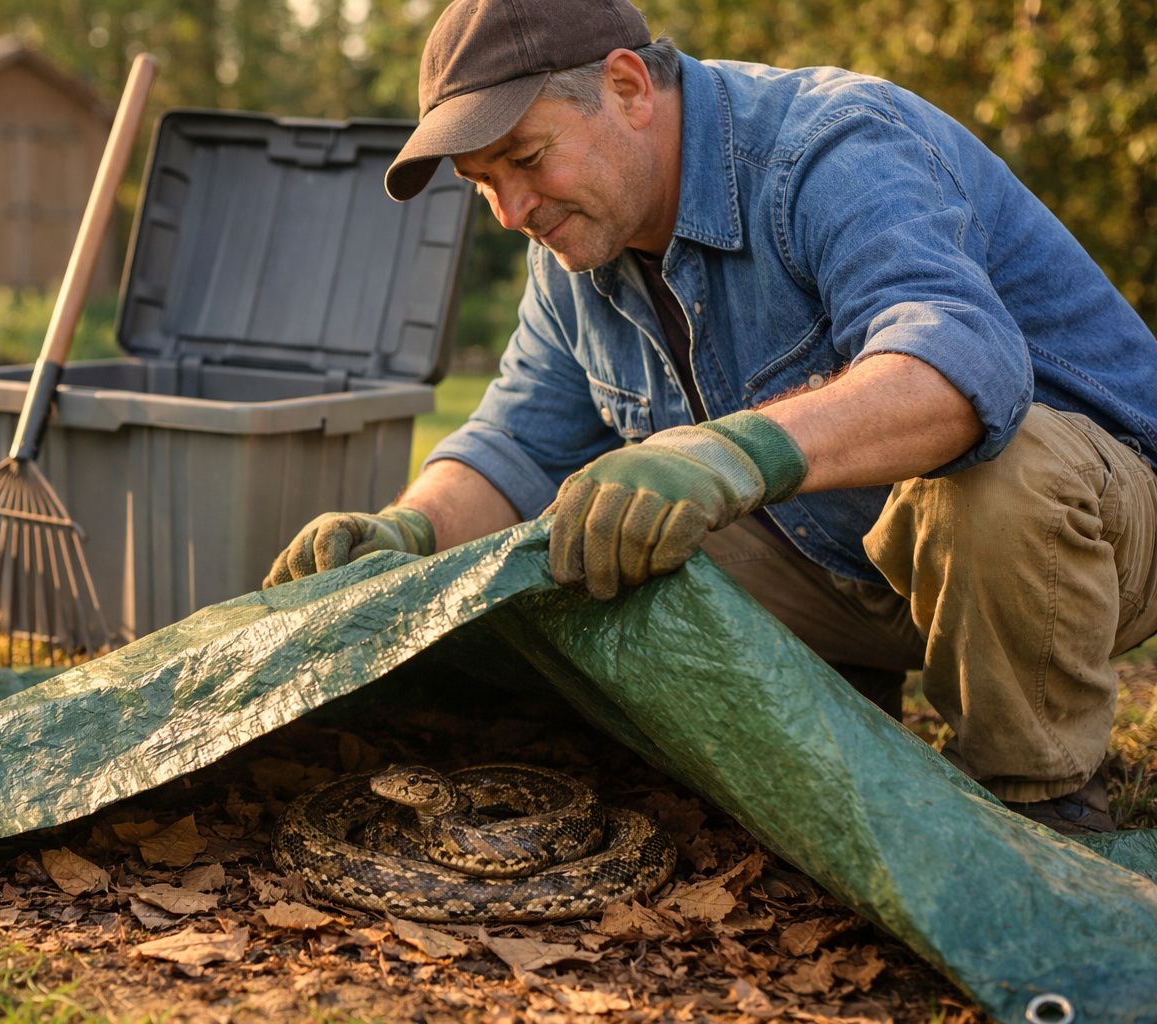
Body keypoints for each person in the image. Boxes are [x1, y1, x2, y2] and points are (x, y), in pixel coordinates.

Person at [262, 0, 1157, 835]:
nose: (512, 212)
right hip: (854, 566)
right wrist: (406, 531)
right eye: (482, 183)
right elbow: (514, 447)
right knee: (589, 539)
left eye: (528, 160)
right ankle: (837, 740)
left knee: (1000, 470)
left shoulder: (831, 144)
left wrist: (727, 452)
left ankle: (1039, 812)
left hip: (1094, 541)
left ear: (626, 86)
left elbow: (960, 368)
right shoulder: (575, 256)